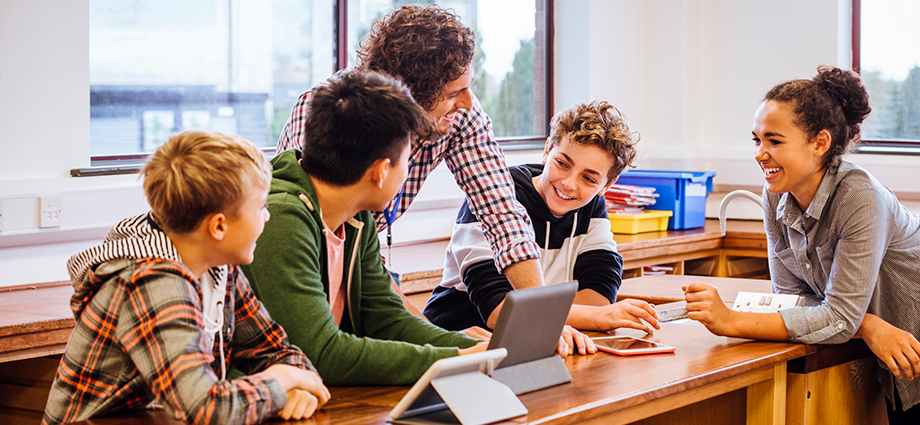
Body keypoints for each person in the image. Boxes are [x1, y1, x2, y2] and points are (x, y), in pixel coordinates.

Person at [682, 66, 920, 423]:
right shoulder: (776, 196)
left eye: (774, 141)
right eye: (757, 140)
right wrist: (866, 323)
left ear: (820, 143)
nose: (760, 154)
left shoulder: (860, 197)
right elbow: (792, 302)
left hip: (910, 345)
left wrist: (731, 320)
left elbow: (836, 316)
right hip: (892, 349)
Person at [43, 132, 330, 425]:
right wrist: (282, 382)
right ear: (218, 226)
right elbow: (205, 408)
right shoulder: (151, 282)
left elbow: (275, 350)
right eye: (260, 208)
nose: (267, 217)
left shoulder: (219, 266)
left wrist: (297, 382)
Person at [275, 5, 546, 311]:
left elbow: (502, 213)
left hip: (365, 259)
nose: (469, 103)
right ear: (411, 97)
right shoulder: (330, 115)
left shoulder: (460, 117)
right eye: (454, 92)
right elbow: (322, 234)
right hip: (307, 266)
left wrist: (540, 315)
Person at [242, 69, 490, 386]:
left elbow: (386, 317)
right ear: (381, 172)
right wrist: (451, 360)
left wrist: (479, 350)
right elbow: (320, 354)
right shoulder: (280, 220)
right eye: (406, 157)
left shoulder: (356, 215)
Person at [424, 101, 661, 354]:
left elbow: (598, 295)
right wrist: (592, 317)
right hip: (456, 343)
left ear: (606, 185)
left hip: (534, 342)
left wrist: (551, 317)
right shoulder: (496, 196)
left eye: (589, 178)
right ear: (547, 149)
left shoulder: (592, 206)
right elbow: (498, 310)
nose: (569, 184)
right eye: (563, 163)